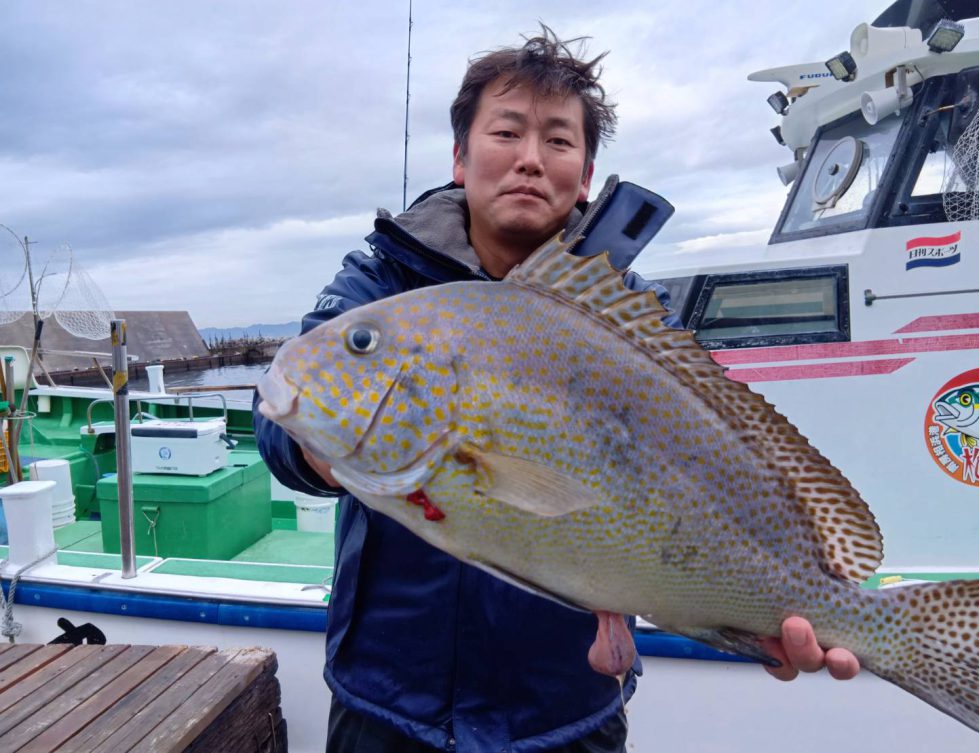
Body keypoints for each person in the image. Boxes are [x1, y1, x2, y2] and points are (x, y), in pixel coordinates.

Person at [253, 28, 861, 753]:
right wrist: (316, 445)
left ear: (587, 169)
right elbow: (280, 417)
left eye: (558, 141)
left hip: (567, 710)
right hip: (387, 701)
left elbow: (715, 457)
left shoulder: (629, 315)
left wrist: (771, 611)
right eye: (505, 131)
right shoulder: (382, 283)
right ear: (459, 155)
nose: (530, 159)